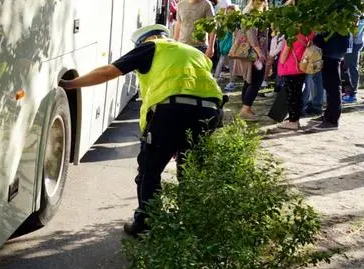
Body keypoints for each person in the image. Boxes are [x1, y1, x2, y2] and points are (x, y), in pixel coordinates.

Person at [59, 24, 224, 237]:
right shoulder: (195, 52)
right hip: (210, 112)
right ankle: (192, 226)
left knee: (150, 170)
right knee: (190, 169)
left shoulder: (151, 47)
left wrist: (69, 84)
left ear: (144, 40)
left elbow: (108, 72)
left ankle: (146, 222)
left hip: (171, 112)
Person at [231, 0, 269, 121]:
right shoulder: (251, 16)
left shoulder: (249, 15)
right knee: (256, 81)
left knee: (249, 81)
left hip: (250, 54)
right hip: (253, 54)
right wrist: (260, 52)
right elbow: (251, 35)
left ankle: (246, 107)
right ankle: (245, 109)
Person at [276, 32, 315, 130]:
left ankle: (293, 121)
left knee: (292, 95)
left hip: (290, 67)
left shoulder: (292, 35)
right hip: (302, 66)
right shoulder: (310, 34)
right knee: (297, 94)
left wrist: (281, 61)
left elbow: (284, 54)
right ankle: (296, 119)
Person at [343, 18, 364, 103]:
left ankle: (352, 94)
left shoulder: (356, 12)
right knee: (349, 67)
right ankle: (350, 92)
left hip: (353, 43)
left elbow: (355, 33)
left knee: (351, 67)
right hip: (354, 43)